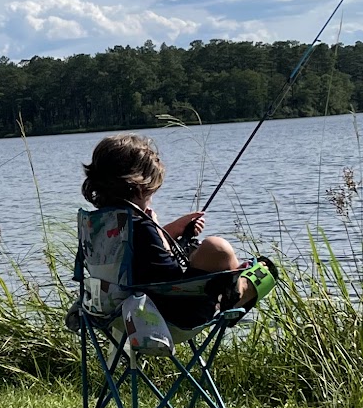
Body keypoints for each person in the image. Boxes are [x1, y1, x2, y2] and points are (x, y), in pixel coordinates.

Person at [81, 134, 260, 326]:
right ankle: (240, 289)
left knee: (207, 254)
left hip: (114, 316)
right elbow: (173, 280)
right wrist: (155, 227)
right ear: (140, 188)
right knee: (217, 248)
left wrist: (170, 230)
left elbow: (138, 257)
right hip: (167, 317)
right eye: (151, 192)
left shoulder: (97, 228)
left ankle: (235, 283)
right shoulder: (142, 228)